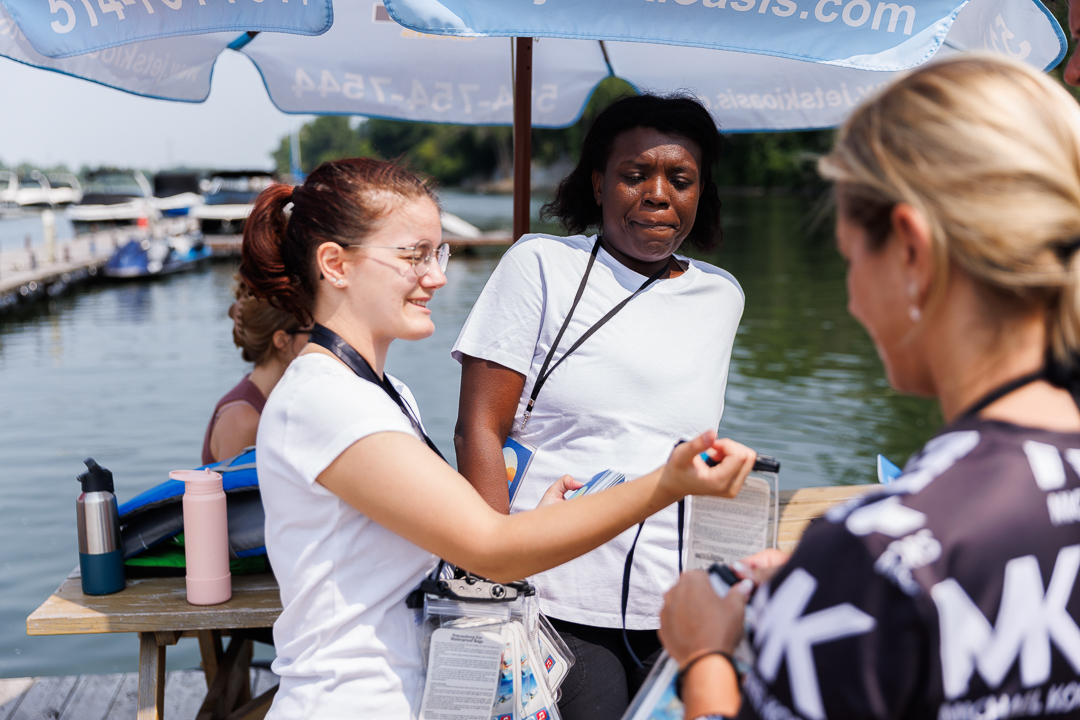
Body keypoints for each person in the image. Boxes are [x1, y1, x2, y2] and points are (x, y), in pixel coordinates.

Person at [238, 157, 759, 720]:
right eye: (413, 255)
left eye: (439, 253)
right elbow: (490, 549)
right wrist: (666, 483)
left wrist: (539, 516)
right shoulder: (326, 400)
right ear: (335, 264)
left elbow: (462, 539)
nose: (436, 276)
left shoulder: (387, 393)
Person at [658, 55, 1080, 720]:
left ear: (911, 250)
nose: (852, 301)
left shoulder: (874, 553)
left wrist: (705, 657)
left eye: (852, 257)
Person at [452, 93, 744, 720]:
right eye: (635, 174)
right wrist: (493, 571)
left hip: (675, 597)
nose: (658, 194)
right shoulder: (540, 266)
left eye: (681, 179)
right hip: (556, 592)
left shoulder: (722, 295)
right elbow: (479, 426)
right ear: (599, 183)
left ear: (701, 192)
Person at [200, 282, 309, 465]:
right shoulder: (242, 419)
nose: (320, 343)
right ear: (281, 340)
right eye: (312, 333)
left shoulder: (275, 400)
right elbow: (238, 492)